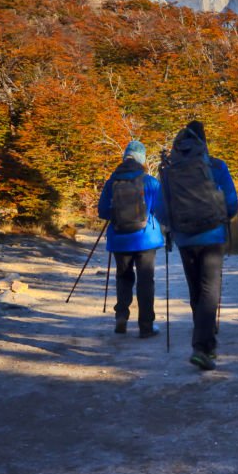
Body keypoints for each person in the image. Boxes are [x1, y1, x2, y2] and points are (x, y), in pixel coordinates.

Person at [159, 120, 238, 371]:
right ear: (203, 142)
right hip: (213, 236)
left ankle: (204, 340)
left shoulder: (170, 169)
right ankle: (203, 346)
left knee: (196, 289)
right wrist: (224, 218)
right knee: (209, 290)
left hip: (185, 237)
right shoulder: (216, 166)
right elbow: (232, 203)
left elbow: (160, 209)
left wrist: (175, 226)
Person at [97, 140, 164, 337]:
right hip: (146, 239)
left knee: (123, 277)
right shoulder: (150, 182)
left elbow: (102, 211)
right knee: (146, 281)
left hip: (120, 238)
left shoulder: (112, 182)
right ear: (142, 159)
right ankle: (146, 326)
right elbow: (161, 210)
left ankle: (121, 316)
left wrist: (115, 213)